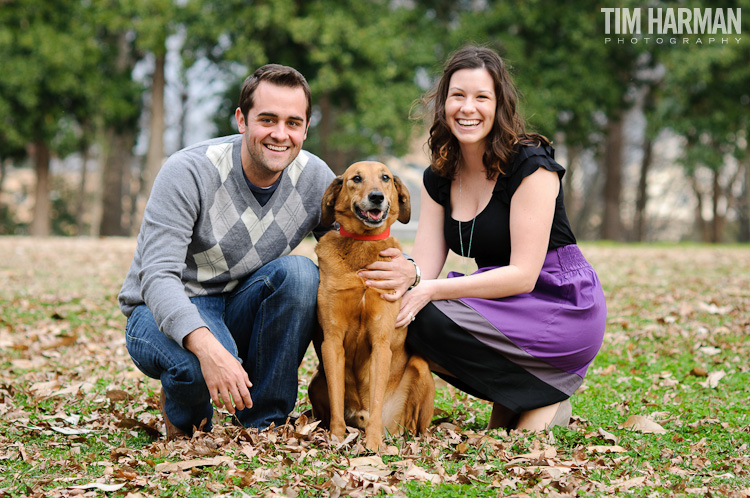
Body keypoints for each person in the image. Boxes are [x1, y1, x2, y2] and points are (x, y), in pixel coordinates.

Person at [358, 46, 606, 431]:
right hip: (503, 304)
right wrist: (397, 277)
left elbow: (524, 274)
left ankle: (548, 393)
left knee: (426, 311)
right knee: (405, 312)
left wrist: (428, 290)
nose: (467, 108)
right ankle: (521, 402)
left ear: (499, 105)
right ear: (443, 104)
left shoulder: (530, 164)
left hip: (558, 301)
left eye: (481, 97)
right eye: (457, 96)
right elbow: (422, 267)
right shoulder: (439, 177)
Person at [119, 64, 335, 438]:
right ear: (241, 119)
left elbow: (350, 245)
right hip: (160, 307)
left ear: (306, 127)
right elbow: (157, 278)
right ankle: (186, 416)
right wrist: (210, 350)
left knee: (301, 274)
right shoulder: (189, 171)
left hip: (239, 304)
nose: (280, 134)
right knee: (192, 368)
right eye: (267, 120)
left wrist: (406, 270)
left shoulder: (315, 178)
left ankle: (264, 422)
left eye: (293, 123)